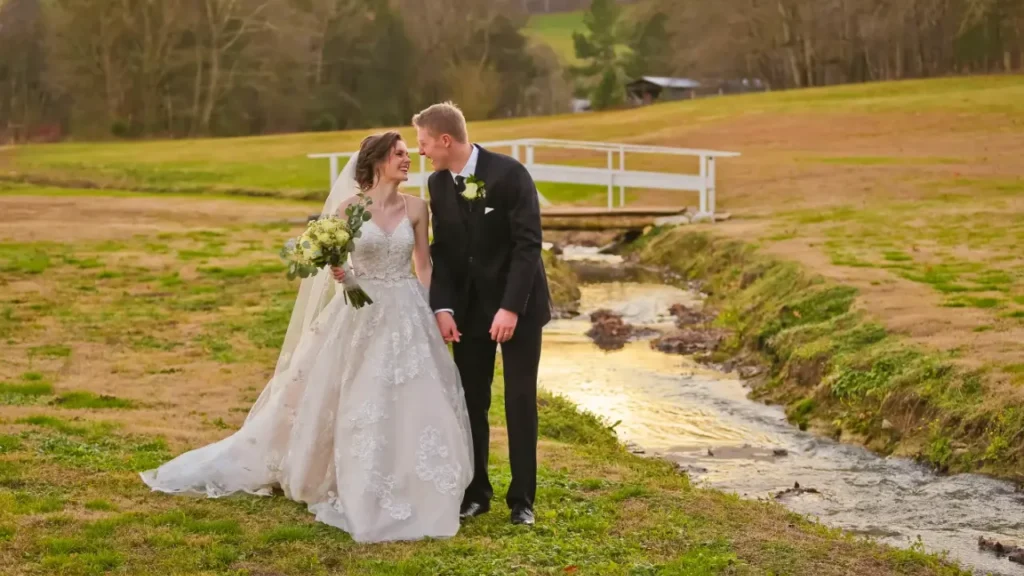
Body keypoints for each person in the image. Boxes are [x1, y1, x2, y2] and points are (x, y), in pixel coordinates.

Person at [140, 132, 473, 544]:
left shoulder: (418, 208)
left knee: (414, 394)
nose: (408, 160)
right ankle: (343, 472)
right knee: (357, 393)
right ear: (377, 162)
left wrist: (433, 308)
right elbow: (343, 264)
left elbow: (423, 266)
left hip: (405, 310)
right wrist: (343, 275)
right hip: (360, 310)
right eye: (400, 154)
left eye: (408, 153)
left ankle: (411, 479)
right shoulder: (350, 209)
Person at [414, 102, 551, 526]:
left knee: (519, 400)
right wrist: (443, 306)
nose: (421, 152)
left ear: (446, 140)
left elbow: (528, 245)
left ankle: (522, 500)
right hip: (470, 313)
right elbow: (446, 254)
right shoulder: (438, 185)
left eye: (423, 143)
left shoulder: (510, 175)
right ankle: (478, 493)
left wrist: (510, 307)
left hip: (519, 308)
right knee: (471, 400)